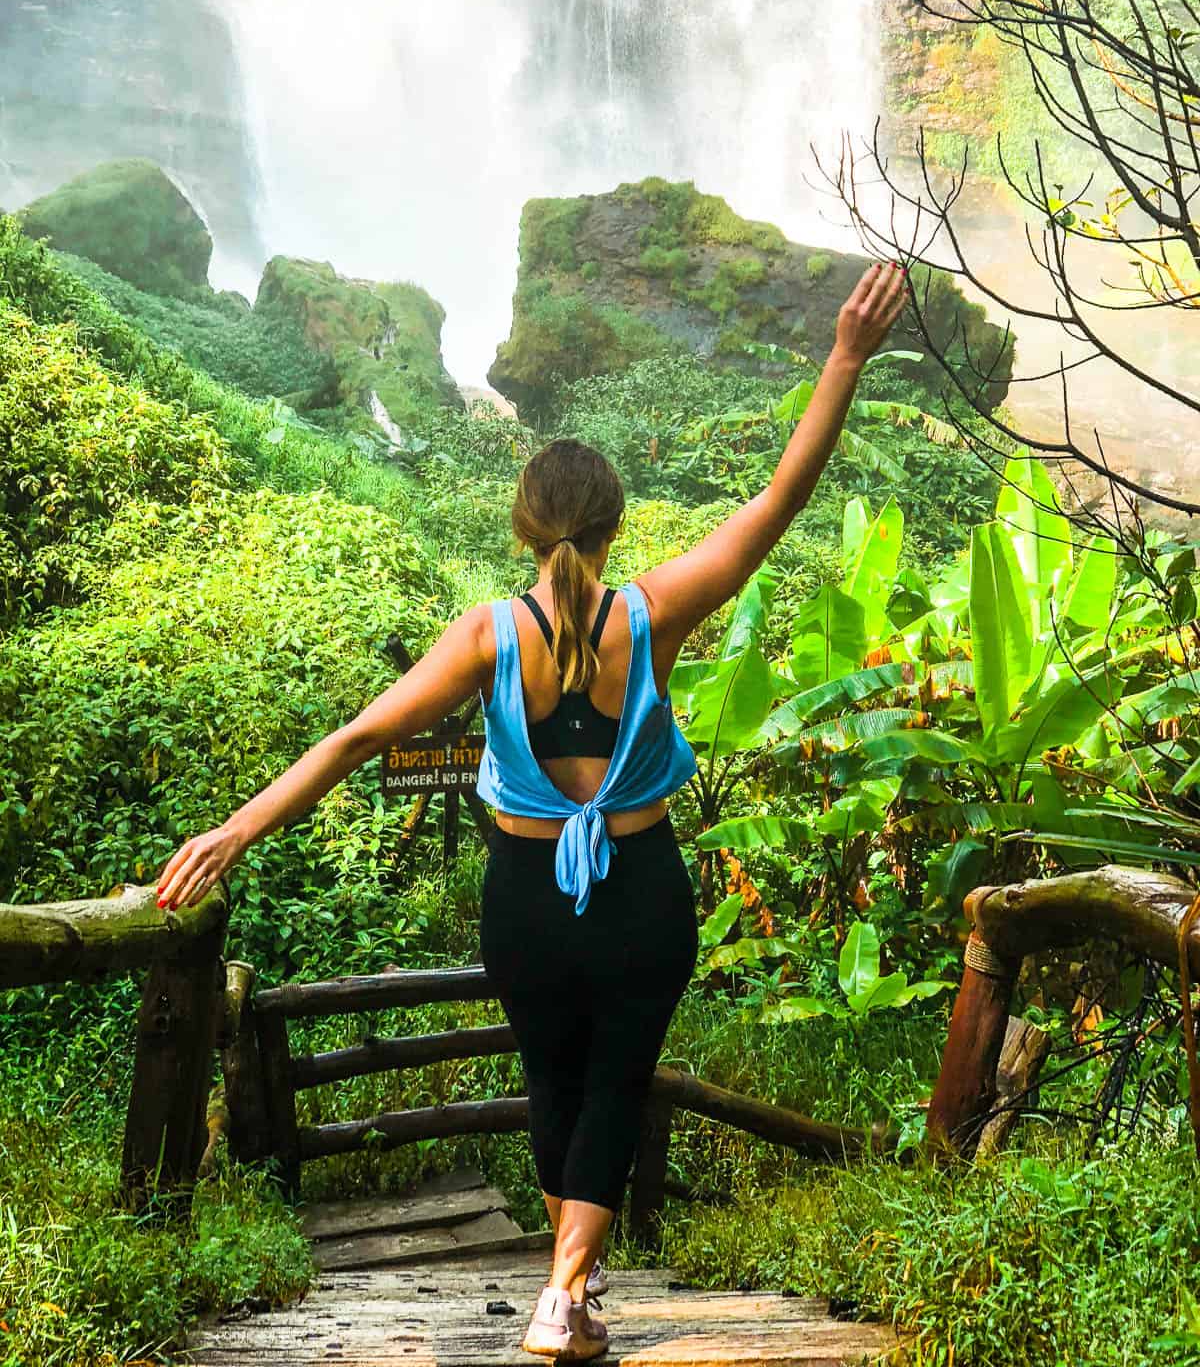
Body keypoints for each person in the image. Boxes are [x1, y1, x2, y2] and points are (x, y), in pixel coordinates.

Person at [156, 259, 910, 1361]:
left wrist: (236, 829)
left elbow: (358, 735)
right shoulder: (652, 613)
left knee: (556, 1083)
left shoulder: (487, 635)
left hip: (522, 898)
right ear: (616, 525)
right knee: (611, 1081)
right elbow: (780, 500)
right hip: (643, 893)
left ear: (524, 528)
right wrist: (843, 355)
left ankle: (568, 1294)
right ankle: (565, 1297)